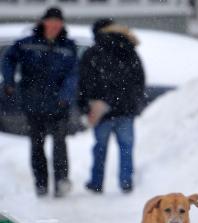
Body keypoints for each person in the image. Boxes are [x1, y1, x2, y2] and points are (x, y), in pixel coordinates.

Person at [2, 7, 78, 197]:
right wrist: (9, 81)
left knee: (60, 144)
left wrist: (65, 95)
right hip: (33, 103)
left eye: (57, 22)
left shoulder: (68, 46)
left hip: (59, 104)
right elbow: (8, 60)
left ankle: (61, 181)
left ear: (61, 25)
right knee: (37, 145)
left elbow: (73, 74)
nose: (54, 26)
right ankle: (41, 183)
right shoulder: (26, 44)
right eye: (50, 21)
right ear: (43, 22)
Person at [79, 19, 145, 194]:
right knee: (126, 147)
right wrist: (134, 102)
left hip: (101, 110)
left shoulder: (92, 53)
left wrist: (86, 106)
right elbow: (139, 80)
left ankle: (96, 182)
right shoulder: (129, 50)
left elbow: (83, 83)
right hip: (126, 109)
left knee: (100, 148)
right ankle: (126, 182)